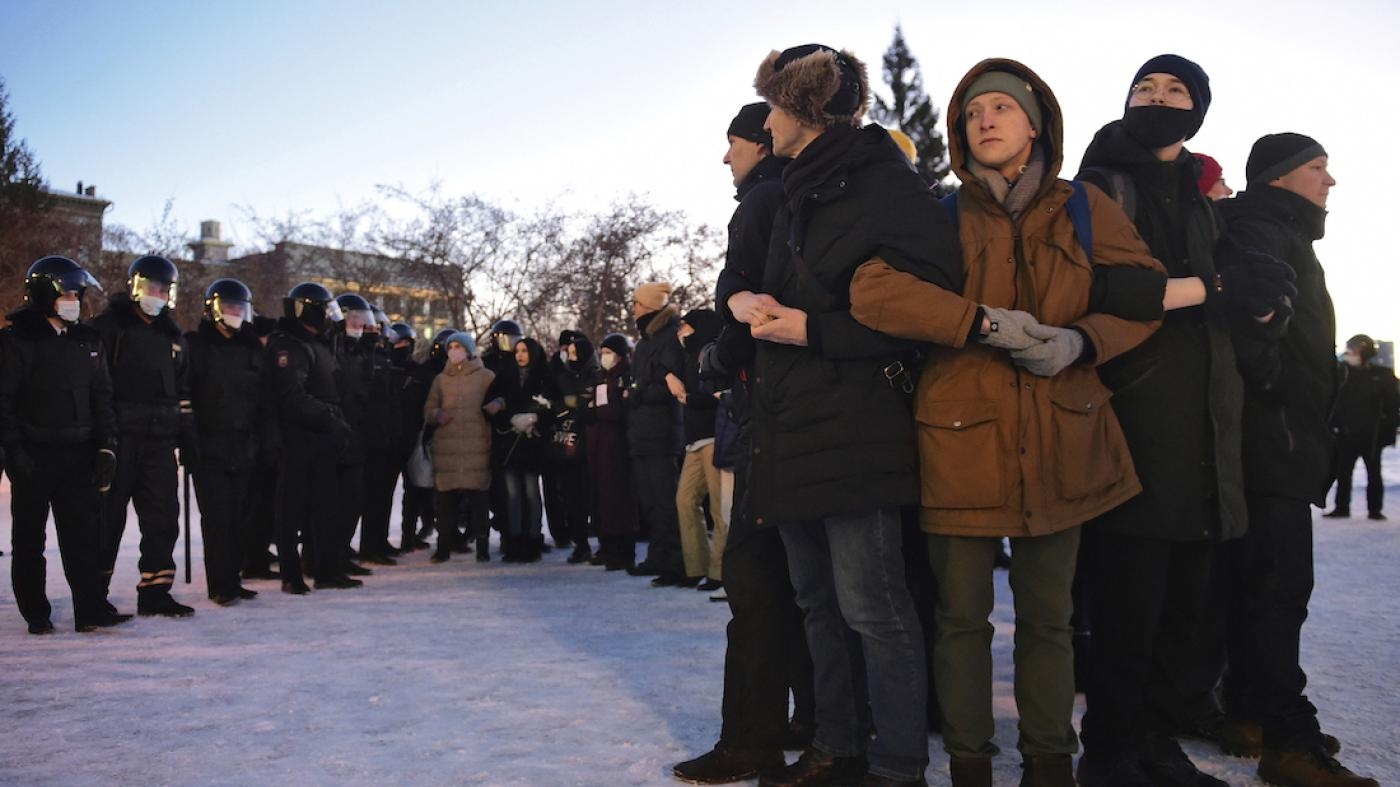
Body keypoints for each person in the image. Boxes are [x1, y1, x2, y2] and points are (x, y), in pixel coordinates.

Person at [847, 59, 1165, 786]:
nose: (983, 120)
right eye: (971, 113)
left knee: (1051, 621)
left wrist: (1080, 342)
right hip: (957, 441)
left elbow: (1142, 300)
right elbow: (874, 291)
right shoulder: (938, 213)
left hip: (1067, 437)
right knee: (960, 620)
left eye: (999, 107)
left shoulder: (1085, 207)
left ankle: (1050, 764)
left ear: (1035, 122)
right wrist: (980, 322)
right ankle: (969, 765)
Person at [741, 42, 964, 787]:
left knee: (875, 607)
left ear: (803, 109)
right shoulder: (792, 190)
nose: (765, 122)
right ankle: (837, 747)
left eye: (773, 105)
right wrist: (746, 304)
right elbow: (752, 282)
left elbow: (927, 307)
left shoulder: (885, 185)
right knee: (817, 605)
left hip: (857, 425)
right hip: (791, 423)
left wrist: (812, 329)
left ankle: (898, 765)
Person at [1070, 54, 1247, 786]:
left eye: (1175, 91)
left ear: (1198, 109)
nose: (1158, 99)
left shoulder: (1201, 197)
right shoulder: (1102, 180)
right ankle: (1110, 750)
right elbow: (1093, 283)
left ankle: (1153, 739)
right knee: (1125, 603)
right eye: (1145, 88)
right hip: (1130, 409)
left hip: (1202, 415)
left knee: (1181, 601)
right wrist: (1207, 288)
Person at [1217, 133, 1377, 787]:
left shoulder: (1279, 231)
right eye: (1318, 168)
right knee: (1280, 588)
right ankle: (1288, 739)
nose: (1329, 181)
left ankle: (1250, 710)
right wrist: (1280, 396)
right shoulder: (1262, 229)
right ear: (1280, 177)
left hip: (1280, 438)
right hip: (1271, 440)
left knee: (1260, 584)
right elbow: (1255, 331)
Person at [672, 100, 814, 787]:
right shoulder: (818, 192)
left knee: (755, 582)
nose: (725, 157)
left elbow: (747, 301)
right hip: (815, 418)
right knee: (807, 580)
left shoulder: (762, 199)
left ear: (765, 139)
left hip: (773, 415)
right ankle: (818, 721)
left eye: (732, 143)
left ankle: (751, 737)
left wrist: (713, 361)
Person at [1, 256, 128, 634]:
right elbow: (3, 402)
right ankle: (36, 613)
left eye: (78, 291)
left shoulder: (88, 340)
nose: (75, 298)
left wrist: (107, 447)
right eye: (67, 291)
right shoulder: (15, 341)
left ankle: (90, 609)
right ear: (46, 293)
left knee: (84, 538)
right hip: (34, 457)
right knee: (29, 541)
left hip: (79, 454)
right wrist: (14, 453)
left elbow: (103, 398)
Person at [91, 254, 196, 617]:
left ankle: (155, 591)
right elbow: (96, 385)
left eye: (164, 289)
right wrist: (101, 437)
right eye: (153, 287)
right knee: (108, 519)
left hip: (160, 441)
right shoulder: (109, 328)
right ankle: (93, 593)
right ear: (136, 287)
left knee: (164, 517)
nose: (159, 294)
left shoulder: (172, 334)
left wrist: (187, 433)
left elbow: (182, 388)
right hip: (121, 440)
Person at [267, 282, 359, 593]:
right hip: (297, 437)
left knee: (326, 507)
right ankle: (291, 574)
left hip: (323, 438)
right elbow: (292, 394)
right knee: (291, 509)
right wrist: (327, 417)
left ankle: (327, 570)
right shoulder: (290, 344)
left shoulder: (319, 343)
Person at [185, 278, 265, 606]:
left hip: (244, 444)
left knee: (240, 518)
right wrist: (189, 440)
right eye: (230, 306)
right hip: (210, 445)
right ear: (215, 308)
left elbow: (261, 396)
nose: (235, 313)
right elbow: (187, 393)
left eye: (240, 307)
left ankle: (234, 577)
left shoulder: (250, 347)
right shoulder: (197, 345)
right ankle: (220, 584)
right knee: (218, 518)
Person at [624, 282, 688, 585]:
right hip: (643, 432)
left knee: (665, 500)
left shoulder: (668, 338)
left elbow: (669, 384)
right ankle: (658, 555)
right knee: (650, 500)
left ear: (650, 307)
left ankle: (675, 561)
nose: (633, 308)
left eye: (637, 303)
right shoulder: (648, 340)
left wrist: (637, 394)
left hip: (662, 432)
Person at [424, 332, 495, 563]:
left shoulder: (486, 377)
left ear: (469, 350)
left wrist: (498, 404)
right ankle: (443, 546)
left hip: (477, 447)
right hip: (448, 450)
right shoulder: (440, 380)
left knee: (479, 501)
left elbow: (499, 402)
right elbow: (429, 410)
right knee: (445, 503)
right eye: (451, 347)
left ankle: (482, 547)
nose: (454, 350)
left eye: (458, 346)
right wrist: (436, 414)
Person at [487, 336, 559, 562]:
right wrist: (510, 418)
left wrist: (536, 417)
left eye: (525, 351)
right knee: (512, 494)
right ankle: (514, 539)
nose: (520, 355)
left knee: (530, 491)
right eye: (517, 350)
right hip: (509, 444)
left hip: (532, 444)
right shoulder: (505, 375)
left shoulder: (544, 376)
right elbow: (490, 404)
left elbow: (555, 406)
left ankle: (533, 538)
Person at [675, 307, 724, 589]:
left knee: (719, 507)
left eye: (686, 326)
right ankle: (696, 566)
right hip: (694, 439)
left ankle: (719, 571)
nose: (681, 331)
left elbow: (717, 394)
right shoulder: (687, 356)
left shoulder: (711, 353)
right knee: (685, 500)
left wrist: (689, 399)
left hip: (714, 436)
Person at [1325, 334, 1398, 520]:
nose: (1350, 354)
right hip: (1346, 434)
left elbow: (1392, 405)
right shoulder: (1342, 373)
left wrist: (1387, 432)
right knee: (1343, 472)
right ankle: (1341, 507)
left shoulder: (1382, 376)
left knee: (1373, 473)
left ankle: (1375, 510)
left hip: (1371, 435)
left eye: (1354, 351)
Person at [586, 333, 638, 571]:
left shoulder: (624, 377)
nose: (605, 357)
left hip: (617, 446)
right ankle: (606, 547)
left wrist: (602, 410)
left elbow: (617, 411)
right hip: (599, 446)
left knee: (618, 500)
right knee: (602, 499)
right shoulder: (601, 378)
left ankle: (621, 551)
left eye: (609, 352)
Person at [547, 330, 600, 563]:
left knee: (593, 496)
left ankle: (601, 539)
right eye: (569, 353)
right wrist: (564, 408)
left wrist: (578, 408)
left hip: (592, 446)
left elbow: (593, 408)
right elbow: (554, 403)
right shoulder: (563, 378)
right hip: (568, 446)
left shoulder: (596, 376)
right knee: (572, 497)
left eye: (576, 353)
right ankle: (580, 542)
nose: (571, 357)